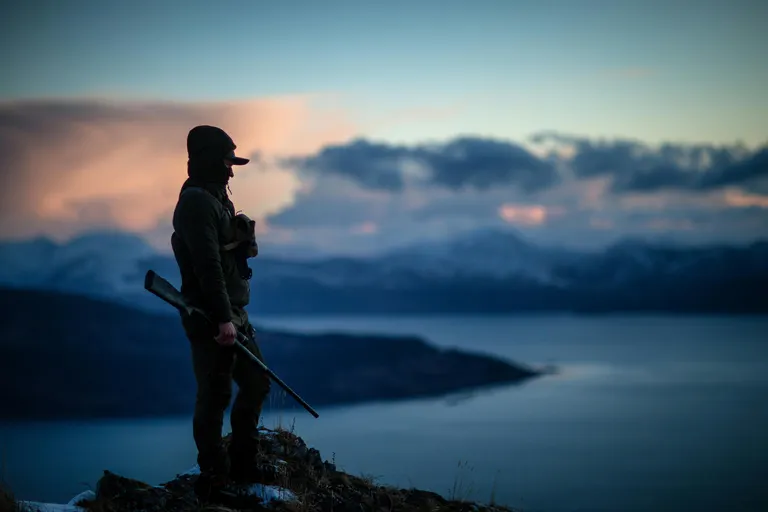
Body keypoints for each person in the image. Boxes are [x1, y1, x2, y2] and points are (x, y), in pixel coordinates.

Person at [170, 125, 271, 501]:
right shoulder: (196, 203)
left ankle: (243, 463)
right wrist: (223, 318)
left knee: (257, 382)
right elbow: (207, 265)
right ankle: (213, 479)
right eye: (227, 162)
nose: (231, 171)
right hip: (211, 316)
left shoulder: (216, 199)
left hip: (232, 314)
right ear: (210, 161)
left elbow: (223, 258)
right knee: (214, 395)